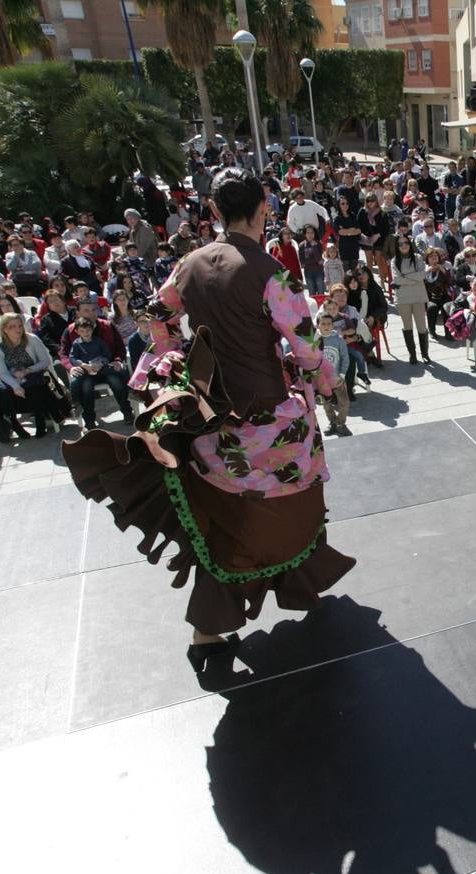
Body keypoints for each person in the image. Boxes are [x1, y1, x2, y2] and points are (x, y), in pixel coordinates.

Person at [63, 167, 354, 673]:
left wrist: (177, 362)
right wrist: (329, 384)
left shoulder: (189, 266)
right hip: (272, 424)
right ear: (264, 209)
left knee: (223, 519)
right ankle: (301, 587)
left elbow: (154, 316)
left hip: (213, 426)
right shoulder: (272, 273)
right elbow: (307, 350)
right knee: (295, 504)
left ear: (214, 212)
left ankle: (208, 630)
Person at [0, 312, 61, 440]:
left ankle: (40, 420)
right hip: (10, 376)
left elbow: (45, 361)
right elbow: (2, 372)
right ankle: (14, 424)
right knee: (1, 393)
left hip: (32, 371)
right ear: (4, 329)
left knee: (35, 387)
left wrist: (27, 371)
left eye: (19, 325)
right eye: (12, 327)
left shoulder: (32, 339)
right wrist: (15, 385)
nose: (18, 329)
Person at [66, 317, 133, 431]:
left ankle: (128, 407)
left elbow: (106, 354)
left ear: (92, 329)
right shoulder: (77, 344)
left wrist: (101, 363)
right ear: (77, 332)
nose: (86, 333)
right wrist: (82, 364)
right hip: (87, 372)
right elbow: (72, 357)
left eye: (88, 330)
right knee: (83, 386)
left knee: (116, 379)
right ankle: (86, 416)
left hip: (102, 370)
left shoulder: (98, 341)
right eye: (82, 331)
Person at [389, 235, 431, 364]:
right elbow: (396, 279)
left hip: (418, 296)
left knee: (422, 327)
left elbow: (423, 274)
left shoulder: (417, 258)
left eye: (406, 243)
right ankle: (412, 354)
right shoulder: (394, 261)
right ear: (397, 246)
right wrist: (414, 278)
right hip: (403, 299)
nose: (404, 246)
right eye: (401, 244)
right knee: (407, 327)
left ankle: (425, 354)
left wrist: (405, 277)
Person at [314, 313, 352, 436]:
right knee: (326, 404)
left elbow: (345, 358)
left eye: (329, 324)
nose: (326, 326)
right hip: (322, 380)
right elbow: (311, 359)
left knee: (344, 402)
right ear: (318, 325)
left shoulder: (338, 340)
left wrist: (342, 374)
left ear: (333, 325)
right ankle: (332, 423)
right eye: (323, 324)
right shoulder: (315, 340)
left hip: (337, 378)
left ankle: (341, 422)